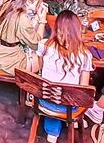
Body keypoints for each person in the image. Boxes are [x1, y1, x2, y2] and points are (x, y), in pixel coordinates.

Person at [36, 11, 93, 143]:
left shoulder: (44, 46)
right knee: (67, 97)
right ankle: (70, 121)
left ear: (56, 28)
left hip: (43, 100)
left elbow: (40, 68)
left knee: (55, 93)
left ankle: (52, 133)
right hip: (68, 106)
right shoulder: (85, 55)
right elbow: (83, 88)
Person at [0, 0, 47, 75]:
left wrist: (35, 18)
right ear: (29, 2)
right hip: (8, 64)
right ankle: (34, 86)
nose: (41, 3)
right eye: (39, 1)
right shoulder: (22, 19)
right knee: (47, 59)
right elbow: (36, 44)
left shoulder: (9, 4)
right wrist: (42, 20)